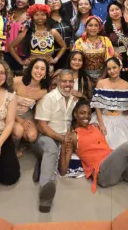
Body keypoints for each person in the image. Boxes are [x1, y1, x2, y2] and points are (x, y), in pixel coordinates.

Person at [33, 70, 79, 212]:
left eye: (70, 81)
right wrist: (61, 139)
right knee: (51, 149)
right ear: (58, 82)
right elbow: (42, 125)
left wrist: (70, 136)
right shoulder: (49, 98)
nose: (67, 84)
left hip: (64, 137)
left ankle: (42, 163)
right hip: (47, 136)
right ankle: (45, 195)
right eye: (64, 81)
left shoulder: (73, 99)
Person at [91, 58, 128, 149]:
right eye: (109, 69)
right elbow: (97, 106)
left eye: (114, 67)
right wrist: (101, 124)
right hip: (103, 118)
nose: (112, 71)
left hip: (122, 119)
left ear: (120, 67)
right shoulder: (101, 83)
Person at [7, 4, 66, 74]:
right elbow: (11, 47)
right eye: (36, 15)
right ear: (32, 17)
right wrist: (21, 61)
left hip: (47, 68)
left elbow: (63, 46)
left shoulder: (52, 31)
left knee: (46, 85)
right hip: (30, 67)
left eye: (43, 14)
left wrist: (56, 59)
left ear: (47, 16)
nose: (40, 17)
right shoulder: (27, 31)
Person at [12, 58, 50, 157]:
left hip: (25, 113)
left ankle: (20, 142)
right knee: (19, 130)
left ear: (45, 73)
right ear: (31, 69)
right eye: (36, 68)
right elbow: (5, 104)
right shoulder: (17, 81)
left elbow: (38, 110)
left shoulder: (43, 91)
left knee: (32, 136)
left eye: (42, 69)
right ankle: (12, 150)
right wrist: (20, 120)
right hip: (9, 112)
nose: (39, 71)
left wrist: (39, 124)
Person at [73, 15, 115, 83]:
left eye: (96, 25)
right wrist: (85, 79)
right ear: (86, 27)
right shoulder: (79, 42)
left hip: (104, 77)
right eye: (90, 25)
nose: (93, 28)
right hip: (84, 78)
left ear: (99, 27)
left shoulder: (105, 40)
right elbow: (75, 63)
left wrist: (101, 78)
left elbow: (109, 61)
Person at [5, 0, 35, 71]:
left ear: (28, 2)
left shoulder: (30, 16)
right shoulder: (8, 13)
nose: (20, 0)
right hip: (6, 52)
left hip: (22, 53)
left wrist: (21, 61)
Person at [104, 1, 128, 82]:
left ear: (121, 11)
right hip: (112, 56)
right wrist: (113, 52)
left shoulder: (127, 26)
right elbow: (103, 43)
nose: (115, 12)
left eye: (117, 9)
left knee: (127, 79)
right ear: (108, 13)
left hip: (127, 55)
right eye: (112, 10)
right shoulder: (105, 27)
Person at [45, 0, 73, 70]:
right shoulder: (45, 20)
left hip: (68, 54)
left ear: (60, 2)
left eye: (56, 0)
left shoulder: (66, 17)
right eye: (50, 1)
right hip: (53, 55)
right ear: (46, 5)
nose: (54, 2)